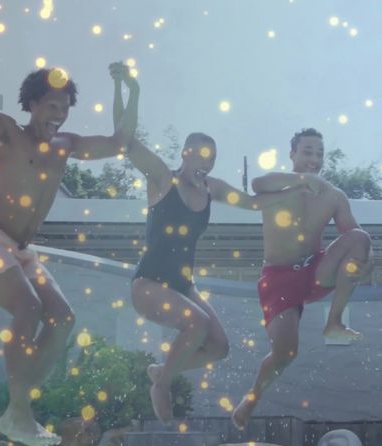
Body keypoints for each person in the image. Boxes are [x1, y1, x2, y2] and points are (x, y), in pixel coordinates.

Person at [0, 45, 140, 446]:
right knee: (29, 307)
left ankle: (17, 407)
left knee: (62, 318)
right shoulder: (6, 132)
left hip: (19, 250)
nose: (58, 116)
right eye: (52, 106)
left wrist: (127, 88)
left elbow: (120, 141)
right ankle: (19, 411)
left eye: (65, 108)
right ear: (33, 103)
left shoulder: (65, 145)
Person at [117, 97, 305, 421]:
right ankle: (162, 384)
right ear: (186, 154)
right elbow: (126, 140)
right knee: (197, 324)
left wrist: (297, 190)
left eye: (213, 159)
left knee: (219, 347)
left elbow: (252, 202)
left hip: (182, 286)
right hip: (148, 284)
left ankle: (161, 369)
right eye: (202, 156)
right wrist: (129, 89)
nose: (207, 164)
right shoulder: (163, 179)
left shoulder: (211, 188)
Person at [231, 128, 373, 429]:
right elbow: (257, 183)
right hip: (278, 277)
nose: (314, 159)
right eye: (307, 152)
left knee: (360, 238)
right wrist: (302, 180)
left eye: (319, 154)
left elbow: (357, 239)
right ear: (292, 154)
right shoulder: (278, 187)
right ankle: (253, 397)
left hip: (315, 269)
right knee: (286, 352)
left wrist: (365, 266)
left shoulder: (334, 196)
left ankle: (334, 322)